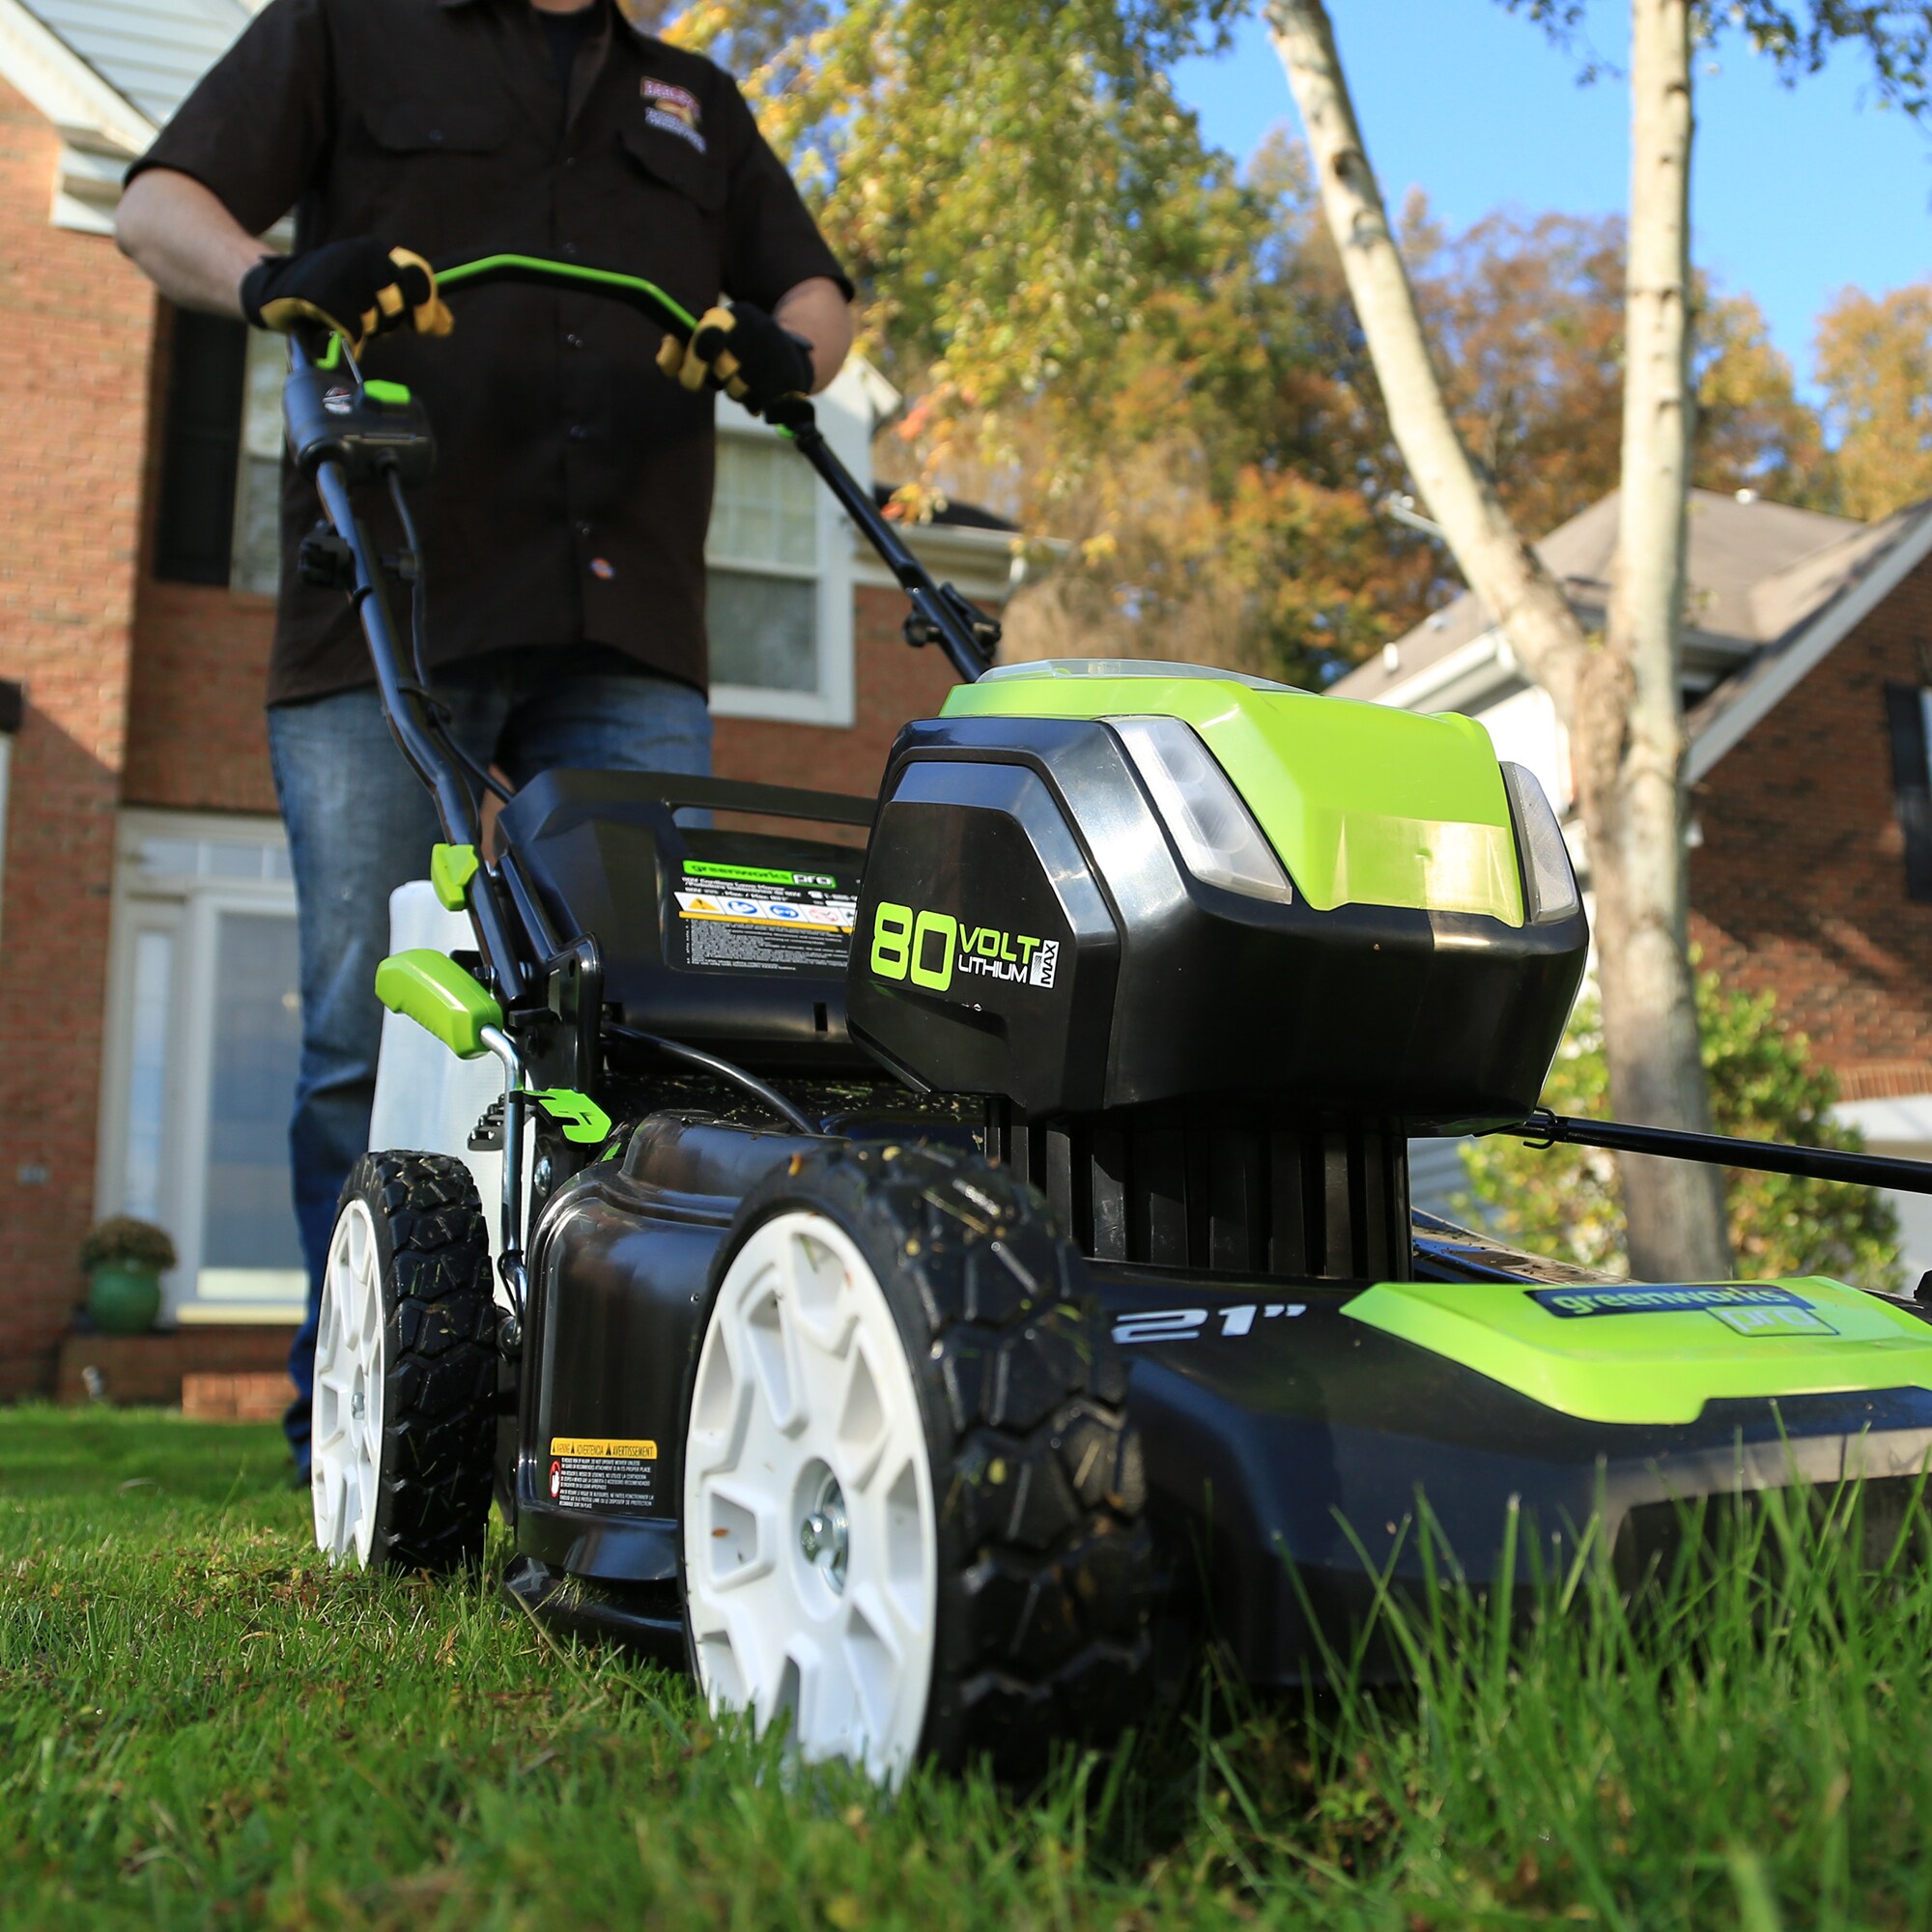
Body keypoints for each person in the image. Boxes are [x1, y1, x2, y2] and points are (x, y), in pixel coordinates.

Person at [114, 0, 855, 1477]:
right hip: (386, 595)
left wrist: (785, 351)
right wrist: (273, 280)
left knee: (660, 1017)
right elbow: (153, 205)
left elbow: (816, 301)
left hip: (629, 620)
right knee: (368, 1019)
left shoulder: (692, 101)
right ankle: (358, 1398)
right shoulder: (349, 27)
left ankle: (619, 1390)